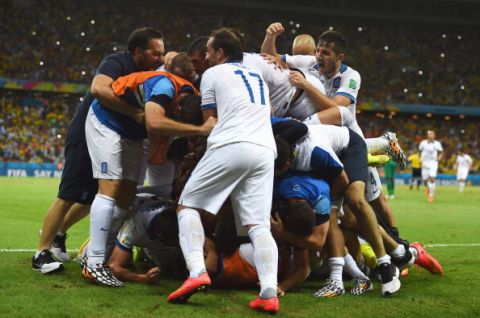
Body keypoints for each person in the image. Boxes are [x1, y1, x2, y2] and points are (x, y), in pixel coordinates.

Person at [32, 27, 165, 275]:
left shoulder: (151, 73)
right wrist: (135, 113)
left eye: (163, 54)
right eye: (156, 53)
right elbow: (98, 89)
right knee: (69, 194)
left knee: (97, 196)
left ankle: (59, 235)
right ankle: (41, 251)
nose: (160, 59)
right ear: (138, 52)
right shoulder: (117, 62)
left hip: (109, 137)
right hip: (86, 134)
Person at [167, 28, 280, 314]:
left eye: (208, 51)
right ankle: (268, 291)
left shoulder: (213, 74)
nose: (205, 56)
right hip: (265, 150)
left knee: (187, 205)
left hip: (231, 143)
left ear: (220, 53)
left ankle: (196, 271)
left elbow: (209, 121)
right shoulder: (257, 77)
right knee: (258, 225)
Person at [83, 66, 215, 287]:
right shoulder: (165, 87)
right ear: (179, 104)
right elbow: (154, 122)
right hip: (106, 120)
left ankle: (101, 255)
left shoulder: (194, 97)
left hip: (131, 131)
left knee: (126, 194)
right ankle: (93, 264)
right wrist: (200, 131)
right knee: (111, 186)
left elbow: (156, 155)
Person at [419, 130, 443, 202]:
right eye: (430, 134)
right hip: (425, 163)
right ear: (428, 135)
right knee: (425, 180)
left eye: (432, 134)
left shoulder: (437, 143)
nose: (431, 135)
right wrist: (420, 159)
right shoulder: (423, 143)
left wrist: (439, 157)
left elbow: (441, 152)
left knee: (432, 179)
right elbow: (419, 152)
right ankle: (428, 188)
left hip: (433, 163)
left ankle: (431, 195)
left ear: (434, 135)